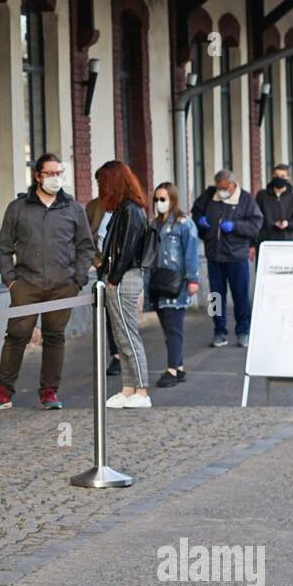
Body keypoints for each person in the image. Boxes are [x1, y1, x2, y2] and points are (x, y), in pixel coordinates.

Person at [0, 153, 95, 411]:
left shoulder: (73, 208)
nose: (55, 179)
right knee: (16, 336)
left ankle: (49, 391)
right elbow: (3, 248)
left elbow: (85, 247)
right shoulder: (18, 208)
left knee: (54, 337)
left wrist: (77, 280)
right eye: (50, 174)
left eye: (59, 174)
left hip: (62, 286)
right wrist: (11, 280)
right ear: (37, 176)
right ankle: (3, 391)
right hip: (26, 285)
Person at [93, 161, 152, 408]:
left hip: (123, 278)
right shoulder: (125, 209)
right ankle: (129, 389)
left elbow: (126, 249)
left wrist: (113, 278)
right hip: (120, 276)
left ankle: (141, 390)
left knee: (128, 334)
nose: (99, 187)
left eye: (102, 182)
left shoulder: (129, 210)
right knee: (121, 335)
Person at [191, 168, 262, 347]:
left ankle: (243, 331)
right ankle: (219, 331)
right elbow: (196, 212)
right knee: (215, 297)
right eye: (218, 188)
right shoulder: (209, 196)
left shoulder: (245, 199)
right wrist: (201, 222)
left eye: (224, 188)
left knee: (240, 296)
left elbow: (255, 224)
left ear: (232, 184)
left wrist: (236, 226)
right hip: (214, 255)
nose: (221, 191)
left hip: (237, 256)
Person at [147, 182, 200, 388]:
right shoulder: (153, 224)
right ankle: (178, 367)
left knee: (174, 327)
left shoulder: (183, 223)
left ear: (172, 199)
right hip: (158, 281)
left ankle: (171, 369)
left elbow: (190, 252)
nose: (159, 203)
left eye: (164, 199)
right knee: (168, 327)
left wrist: (193, 279)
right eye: (157, 199)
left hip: (176, 281)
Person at [86, 187, 121, 378]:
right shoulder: (94, 207)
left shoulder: (127, 206)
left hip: (123, 267)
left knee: (122, 312)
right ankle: (116, 355)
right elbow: (85, 236)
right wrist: (96, 260)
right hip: (103, 266)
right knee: (107, 311)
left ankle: (126, 353)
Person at [256, 164, 293, 246]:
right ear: (272, 176)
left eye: (282, 176)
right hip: (265, 241)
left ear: (288, 178)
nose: (279, 178)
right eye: (276, 175)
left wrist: (288, 224)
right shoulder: (262, 195)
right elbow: (256, 217)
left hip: (286, 241)